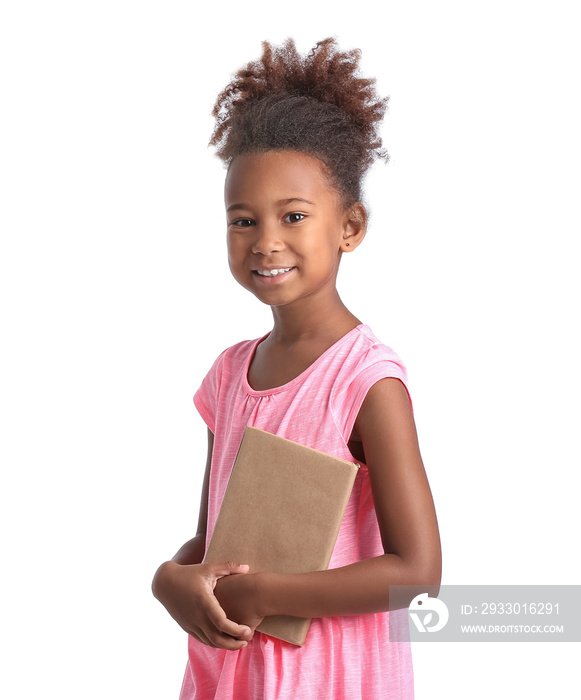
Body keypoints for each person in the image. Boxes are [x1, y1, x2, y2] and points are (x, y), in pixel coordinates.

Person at [152, 37, 442, 700]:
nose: (265, 242)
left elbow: (417, 571)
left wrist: (268, 592)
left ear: (349, 227)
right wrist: (169, 577)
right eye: (243, 220)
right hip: (231, 670)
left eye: (293, 216)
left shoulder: (367, 380)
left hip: (327, 677)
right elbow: (213, 536)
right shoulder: (227, 376)